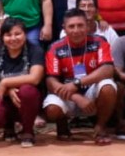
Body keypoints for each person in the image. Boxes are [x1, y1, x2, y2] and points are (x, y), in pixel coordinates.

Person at [43, 8, 118, 145]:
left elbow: (108, 69)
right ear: (64, 28)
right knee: (52, 109)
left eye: (80, 25)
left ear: (88, 26)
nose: (76, 30)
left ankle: (100, 126)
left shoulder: (99, 41)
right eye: (71, 26)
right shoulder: (55, 48)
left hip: (91, 92)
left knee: (108, 86)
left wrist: (77, 83)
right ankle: (62, 124)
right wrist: (75, 96)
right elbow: (50, 81)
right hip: (67, 94)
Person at [0, 18, 45, 148]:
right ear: (2, 37)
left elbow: (35, 78)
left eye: (18, 34)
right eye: (8, 35)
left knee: (27, 91)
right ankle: (8, 127)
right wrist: (7, 90)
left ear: (25, 35)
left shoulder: (35, 51)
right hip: (4, 99)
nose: (13, 38)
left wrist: (6, 82)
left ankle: (28, 131)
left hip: (27, 101)